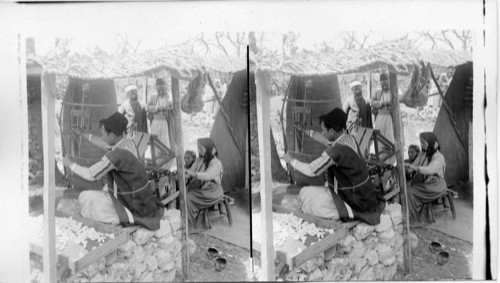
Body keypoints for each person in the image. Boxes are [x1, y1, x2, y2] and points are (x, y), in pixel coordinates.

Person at [62, 112, 164, 230]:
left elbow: (90, 174)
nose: (102, 137)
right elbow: (103, 144)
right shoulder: (128, 142)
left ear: (112, 135)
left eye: (103, 134)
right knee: (105, 189)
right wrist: (84, 134)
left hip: (132, 204)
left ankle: (122, 217)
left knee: (85, 197)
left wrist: (70, 164)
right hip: (142, 199)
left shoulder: (116, 155)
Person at [284, 108, 384, 225]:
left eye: (323, 130)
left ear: (331, 131)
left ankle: (344, 212)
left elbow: (311, 170)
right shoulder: (349, 138)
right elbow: (325, 140)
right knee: (310, 193)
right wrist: (304, 130)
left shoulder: (336, 151)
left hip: (354, 200)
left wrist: (291, 160)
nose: (322, 133)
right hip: (365, 195)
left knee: (306, 193)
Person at [404, 132, 447, 223]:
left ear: (430, 142)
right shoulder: (423, 154)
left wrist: (413, 168)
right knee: (406, 187)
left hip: (436, 184)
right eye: (420, 142)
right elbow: (415, 164)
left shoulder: (439, 157)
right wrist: (407, 168)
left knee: (411, 192)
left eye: (423, 142)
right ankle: (407, 214)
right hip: (427, 181)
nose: (421, 145)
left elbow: (429, 170)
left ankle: (411, 219)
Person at [185, 138, 224, 229]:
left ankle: (189, 225)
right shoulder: (200, 160)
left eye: (201, 148)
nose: (199, 151)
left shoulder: (216, 163)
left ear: (208, 148)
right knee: (186, 193)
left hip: (213, 190)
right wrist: (183, 173)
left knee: (189, 197)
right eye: (198, 148)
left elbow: (206, 176)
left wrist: (191, 174)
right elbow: (191, 171)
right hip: (205, 188)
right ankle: (188, 222)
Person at [371, 73, 396, 164]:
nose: (384, 85)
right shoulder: (378, 92)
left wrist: (388, 103)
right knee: (379, 138)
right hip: (380, 118)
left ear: (389, 82)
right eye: (382, 84)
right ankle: (380, 160)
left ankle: (389, 162)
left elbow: (395, 103)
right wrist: (381, 103)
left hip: (389, 118)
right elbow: (372, 102)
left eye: (386, 83)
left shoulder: (393, 92)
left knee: (389, 138)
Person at [147, 78, 172, 148]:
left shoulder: (169, 96)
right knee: (154, 140)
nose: (161, 91)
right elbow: (147, 107)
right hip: (155, 122)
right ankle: (155, 157)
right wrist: (156, 108)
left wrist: (167, 108)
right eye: (159, 90)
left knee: (164, 141)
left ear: (165, 88)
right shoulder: (153, 97)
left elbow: (171, 106)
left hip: (164, 122)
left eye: (162, 89)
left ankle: (164, 158)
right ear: (157, 89)